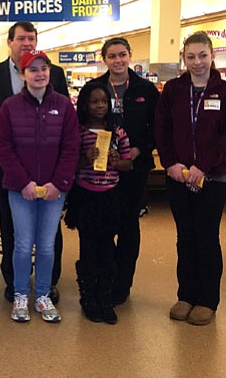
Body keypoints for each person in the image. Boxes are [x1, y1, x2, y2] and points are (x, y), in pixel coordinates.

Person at [0, 21, 69, 304]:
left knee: (50, 230)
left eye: (32, 38)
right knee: (11, 223)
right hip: (8, 165)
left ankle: (48, 282)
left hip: (49, 167)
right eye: (21, 39)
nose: (26, 43)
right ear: (10, 42)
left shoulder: (56, 74)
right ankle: (14, 282)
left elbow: (64, 121)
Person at [155, 31, 226, 326]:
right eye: (190, 56)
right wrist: (171, 164)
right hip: (178, 176)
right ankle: (186, 295)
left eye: (202, 55)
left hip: (213, 177)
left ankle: (207, 300)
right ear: (183, 57)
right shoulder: (174, 90)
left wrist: (203, 166)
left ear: (212, 55)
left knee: (207, 238)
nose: (197, 62)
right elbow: (162, 129)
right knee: (185, 238)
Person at [0, 50, 79, 323]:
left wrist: (59, 183)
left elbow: (71, 147)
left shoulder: (64, 106)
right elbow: (4, 148)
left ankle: (42, 295)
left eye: (44, 68)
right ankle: (20, 295)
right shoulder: (9, 107)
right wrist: (24, 183)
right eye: (33, 70)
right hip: (20, 190)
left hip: (55, 190)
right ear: (22, 75)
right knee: (21, 244)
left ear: (50, 72)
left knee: (45, 246)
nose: (39, 74)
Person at [90, 37, 160, 305]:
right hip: (102, 169)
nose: (117, 60)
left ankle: (123, 284)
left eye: (122, 55)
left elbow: (157, 128)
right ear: (104, 59)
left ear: (130, 56)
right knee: (104, 226)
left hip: (134, 169)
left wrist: (139, 149)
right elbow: (83, 124)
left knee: (129, 226)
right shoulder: (95, 88)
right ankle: (106, 276)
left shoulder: (146, 90)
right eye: (111, 56)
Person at [65, 81, 132, 324]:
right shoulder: (79, 131)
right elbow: (69, 164)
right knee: (88, 249)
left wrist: (116, 160)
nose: (100, 105)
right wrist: (85, 158)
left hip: (110, 198)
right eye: (94, 101)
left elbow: (128, 163)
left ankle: (105, 298)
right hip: (85, 197)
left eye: (104, 101)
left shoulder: (117, 132)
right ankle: (88, 298)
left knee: (107, 249)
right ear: (85, 104)